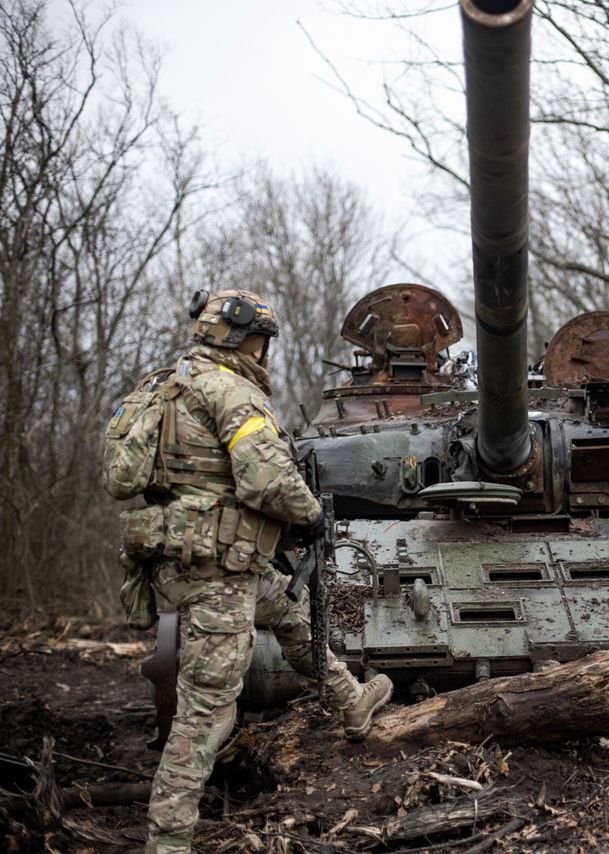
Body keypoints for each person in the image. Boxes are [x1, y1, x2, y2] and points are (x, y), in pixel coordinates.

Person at [136, 289, 392, 854]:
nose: (266, 353)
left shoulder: (163, 386)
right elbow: (266, 480)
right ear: (240, 337)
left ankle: (351, 701)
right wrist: (310, 520)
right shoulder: (232, 392)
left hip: (185, 560)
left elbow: (128, 477)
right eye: (263, 341)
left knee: (288, 610)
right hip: (217, 572)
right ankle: (169, 838)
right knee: (206, 711)